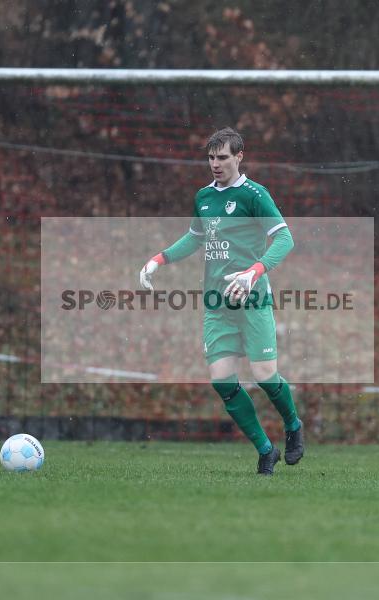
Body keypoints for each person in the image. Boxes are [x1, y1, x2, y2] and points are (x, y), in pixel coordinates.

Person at [139, 127, 303, 475]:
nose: (215, 163)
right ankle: (265, 450)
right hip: (216, 304)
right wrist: (159, 260)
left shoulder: (255, 195)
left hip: (253, 300)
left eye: (223, 157)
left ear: (239, 157)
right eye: (211, 157)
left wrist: (254, 271)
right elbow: (194, 238)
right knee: (222, 381)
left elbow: (285, 239)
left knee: (265, 376)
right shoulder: (203, 197)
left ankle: (292, 425)